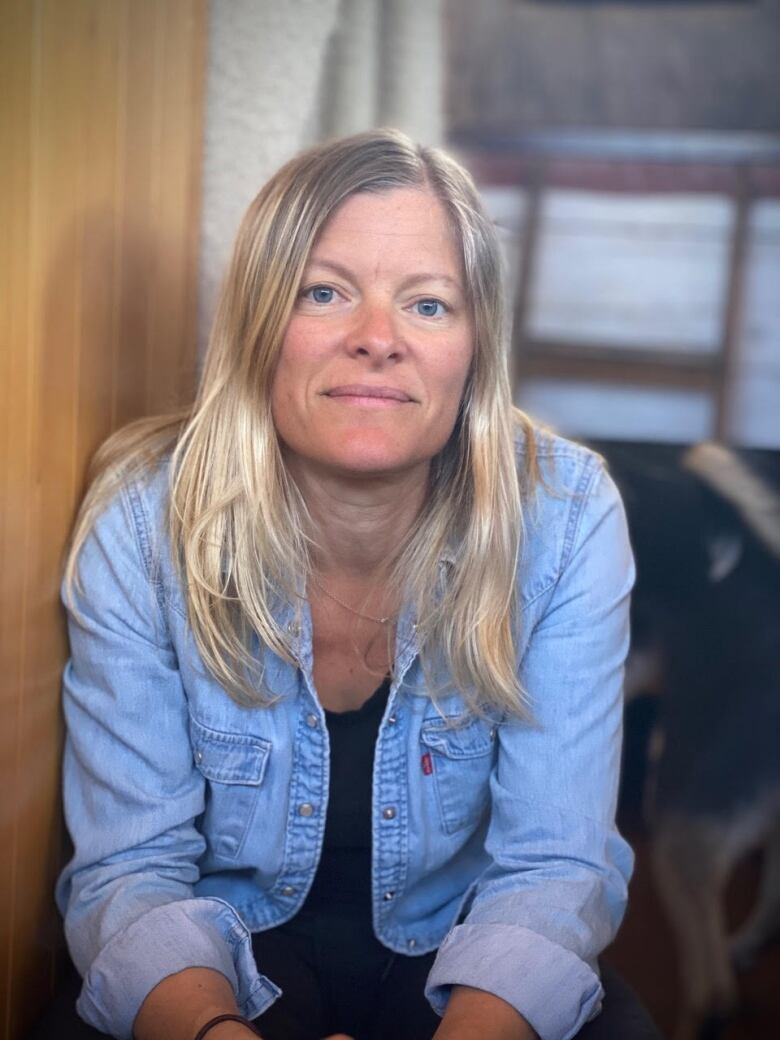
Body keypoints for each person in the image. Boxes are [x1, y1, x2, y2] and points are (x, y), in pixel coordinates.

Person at [52, 129, 656, 1040]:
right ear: (260, 325)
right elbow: (130, 872)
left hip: (470, 949)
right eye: (324, 293)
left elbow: (552, 867)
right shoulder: (140, 527)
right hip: (218, 953)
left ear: (473, 348)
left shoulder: (566, 518)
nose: (377, 340)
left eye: (428, 305)